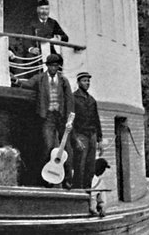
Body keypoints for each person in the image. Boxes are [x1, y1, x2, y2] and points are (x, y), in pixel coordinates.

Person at [25, 53, 73, 182]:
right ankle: (46, 177)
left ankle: (67, 178)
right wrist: (16, 81)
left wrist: (70, 119)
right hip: (48, 117)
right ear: (47, 66)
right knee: (48, 146)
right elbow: (28, 84)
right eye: (51, 66)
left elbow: (69, 100)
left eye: (56, 66)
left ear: (58, 67)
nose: (53, 68)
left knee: (67, 148)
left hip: (61, 117)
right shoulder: (40, 78)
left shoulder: (63, 81)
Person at [67, 71, 103, 193]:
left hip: (92, 135)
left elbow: (96, 120)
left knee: (90, 167)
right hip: (80, 136)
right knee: (79, 166)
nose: (87, 83)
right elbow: (70, 120)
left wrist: (99, 139)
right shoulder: (73, 98)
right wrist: (75, 138)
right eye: (84, 81)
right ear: (78, 82)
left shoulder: (92, 100)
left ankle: (88, 193)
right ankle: (78, 192)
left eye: (88, 81)